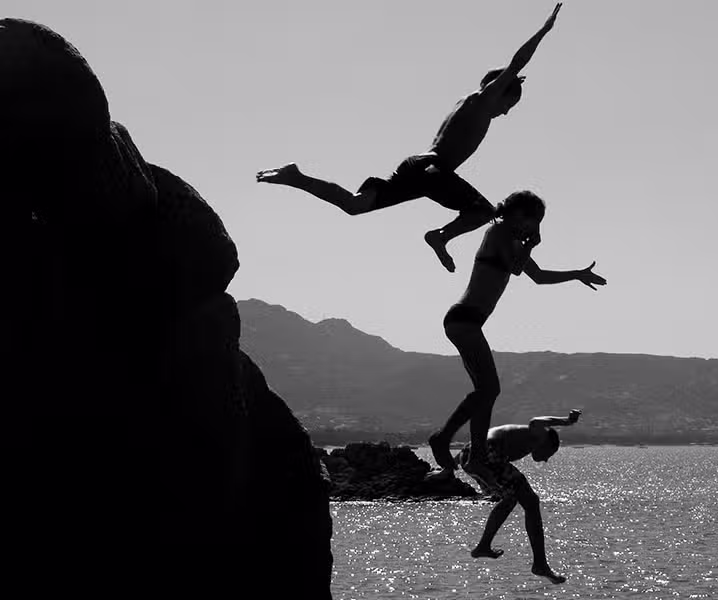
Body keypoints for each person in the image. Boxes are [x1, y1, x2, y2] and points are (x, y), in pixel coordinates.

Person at [255, 3, 563, 273]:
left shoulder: (468, 103)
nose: (507, 113)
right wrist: (544, 31)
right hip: (432, 169)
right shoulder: (481, 100)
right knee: (483, 212)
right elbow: (516, 64)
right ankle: (439, 236)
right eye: (509, 105)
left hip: (419, 168)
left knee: (354, 205)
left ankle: (295, 176)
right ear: (500, 92)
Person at [426, 190, 604, 489]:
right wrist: (531, 245)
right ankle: (449, 441)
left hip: (469, 322)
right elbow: (519, 267)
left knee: (485, 391)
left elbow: (538, 277)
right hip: (464, 319)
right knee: (489, 389)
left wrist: (575, 274)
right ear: (520, 215)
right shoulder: (497, 232)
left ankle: (465, 449)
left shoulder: (510, 239)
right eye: (535, 222)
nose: (534, 230)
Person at [458, 409, 583, 584]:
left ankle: (484, 546)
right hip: (486, 453)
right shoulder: (541, 435)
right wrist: (567, 421)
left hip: (470, 456)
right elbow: (536, 421)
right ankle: (539, 564)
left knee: (511, 498)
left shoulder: (526, 441)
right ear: (547, 444)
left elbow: (470, 448)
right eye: (549, 454)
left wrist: (451, 467)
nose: (546, 460)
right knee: (530, 501)